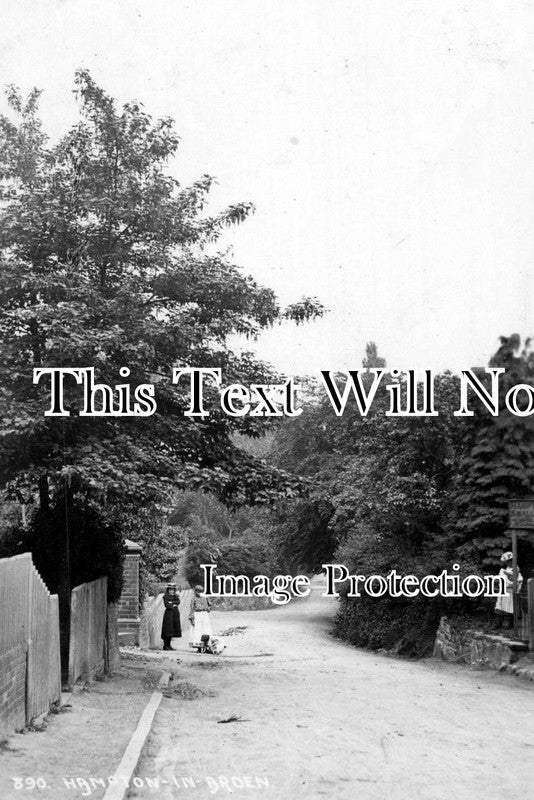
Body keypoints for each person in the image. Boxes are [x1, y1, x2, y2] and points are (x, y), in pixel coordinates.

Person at [495, 551, 523, 629]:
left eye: (509, 561)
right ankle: (500, 623)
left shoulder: (515, 568)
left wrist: (505, 575)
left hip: (510, 590)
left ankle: (510, 623)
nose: (508, 563)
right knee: (500, 606)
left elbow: (513, 580)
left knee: (510, 607)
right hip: (504, 589)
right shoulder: (508, 568)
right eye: (507, 562)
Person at [188, 584, 212, 651]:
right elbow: (192, 608)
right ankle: (199, 647)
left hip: (204, 614)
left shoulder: (206, 597)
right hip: (197, 614)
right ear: (195, 591)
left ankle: (206, 646)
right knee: (198, 630)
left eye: (201, 592)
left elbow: (210, 605)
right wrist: (191, 618)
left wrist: (209, 608)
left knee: (206, 630)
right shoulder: (193, 599)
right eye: (198, 591)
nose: (199, 593)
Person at [161, 583, 181, 650]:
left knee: (172, 630)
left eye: (173, 590)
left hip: (174, 614)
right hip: (168, 614)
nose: (171, 591)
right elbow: (167, 605)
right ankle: (165, 645)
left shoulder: (176, 596)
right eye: (170, 590)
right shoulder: (165, 596)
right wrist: (173, 604)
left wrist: (171, 602)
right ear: (168, 590)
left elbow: (178, 602)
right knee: (167, 630)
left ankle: (169, 645)